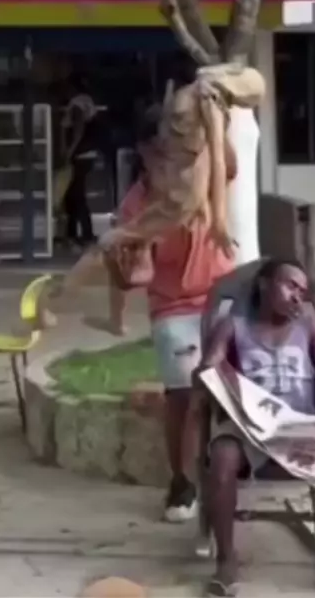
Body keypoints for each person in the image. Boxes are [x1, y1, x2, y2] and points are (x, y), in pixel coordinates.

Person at [196, 259, 315, 597]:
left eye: (302, 292)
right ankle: (227, 560)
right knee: (222, 455)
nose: (297, 297)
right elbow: (208, 368)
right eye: (290, 286)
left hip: (301, 427)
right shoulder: (233, 326)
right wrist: (208, 373)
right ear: (263, 284)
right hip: (251, 429)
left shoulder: (309, 327)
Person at [109, 112, 236, 523]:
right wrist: (126, 270)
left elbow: (228, 160)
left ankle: (231, 468)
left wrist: (213, 115)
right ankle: (182, 482)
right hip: (174, 306)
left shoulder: (204, 175)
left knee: (235, 384)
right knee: (183, 393)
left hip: (222, 296)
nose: (171, 156)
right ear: (144, 153)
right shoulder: (136, 205)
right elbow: (140, 274)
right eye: (161, 148)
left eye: (178, 146)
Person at [61, 75, 100, 250]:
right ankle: (74, 233)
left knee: (76, 195)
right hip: (88, 154)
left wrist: (69, 151)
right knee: (74, 195)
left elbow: (78, 130)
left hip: (80, 155)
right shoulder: (88, 103)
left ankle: (84, 234)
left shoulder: (77, 105)